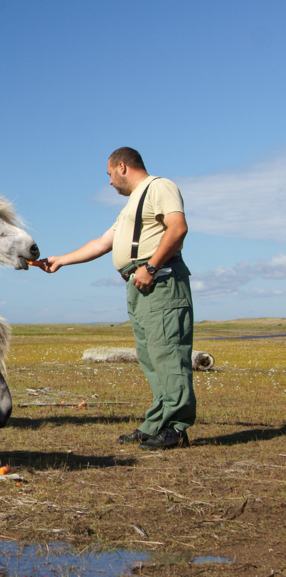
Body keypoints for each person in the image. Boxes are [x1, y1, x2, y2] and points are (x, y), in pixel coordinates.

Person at [41, 147, 195, 450]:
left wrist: (151, 267)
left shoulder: (159, 187)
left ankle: (176, 428)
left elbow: (178, 229)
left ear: (122, 167)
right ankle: (156, 424)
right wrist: (61, 260)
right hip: (139, 287)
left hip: (159, 280)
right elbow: (101, 243)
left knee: (168, 353)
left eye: (109, 174)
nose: (109, 182)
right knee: (151, 358)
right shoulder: (129, 207)